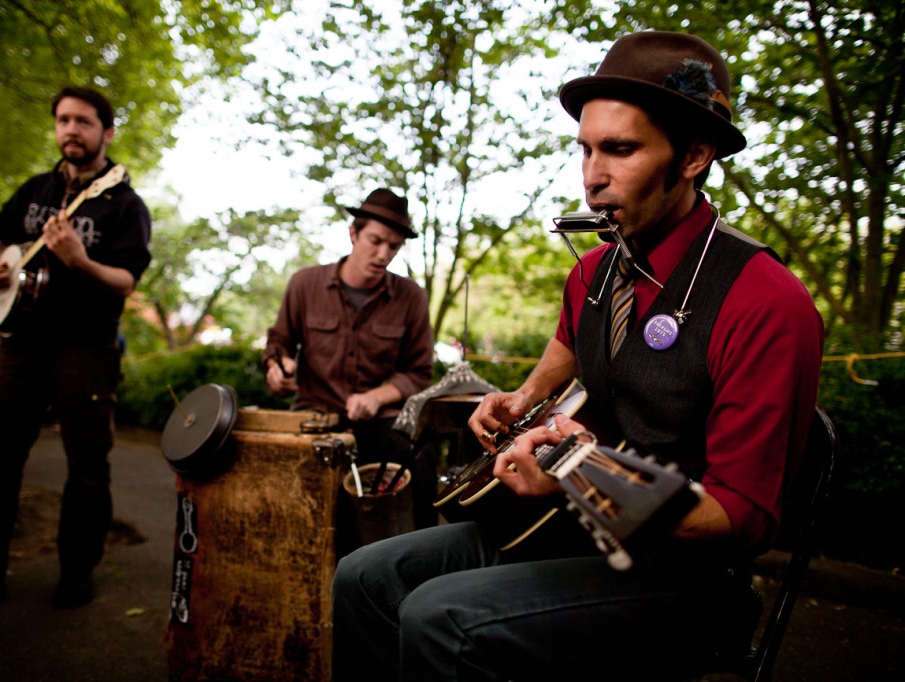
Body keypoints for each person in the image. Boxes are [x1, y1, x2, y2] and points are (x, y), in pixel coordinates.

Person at [331, 31, 824, 680]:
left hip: (689, 578)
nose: (592, 176)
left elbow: (742, 518)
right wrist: (516, 403)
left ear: (694, 155)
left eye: (621, 149)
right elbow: (563, 356)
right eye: (585, 149)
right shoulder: (591, 273)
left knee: (439, 618)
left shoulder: (765, 300)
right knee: (363, 576)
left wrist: (578, 476)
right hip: (574, 532)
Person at [0, 86, 152, 610]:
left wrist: (80, 260)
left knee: (87, 463)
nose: (71, 129)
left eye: (83, 121)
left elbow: (126, 281)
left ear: (107, 133)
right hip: (21, 343)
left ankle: (77, 573)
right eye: (63, 120)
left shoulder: (125, 205)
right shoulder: (36, 188)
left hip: (86, 348)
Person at [263, 188, 436, 532]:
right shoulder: (305, 284)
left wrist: (376, 397)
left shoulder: (411, 297)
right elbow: (278, 344)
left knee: (419, 453)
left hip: (381, 423)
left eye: (394, 246)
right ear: (353, 233)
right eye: (376, 241)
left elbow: (418, 372)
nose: (383, 254)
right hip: (315, 417)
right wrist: (277, 369)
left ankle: (422, 555)